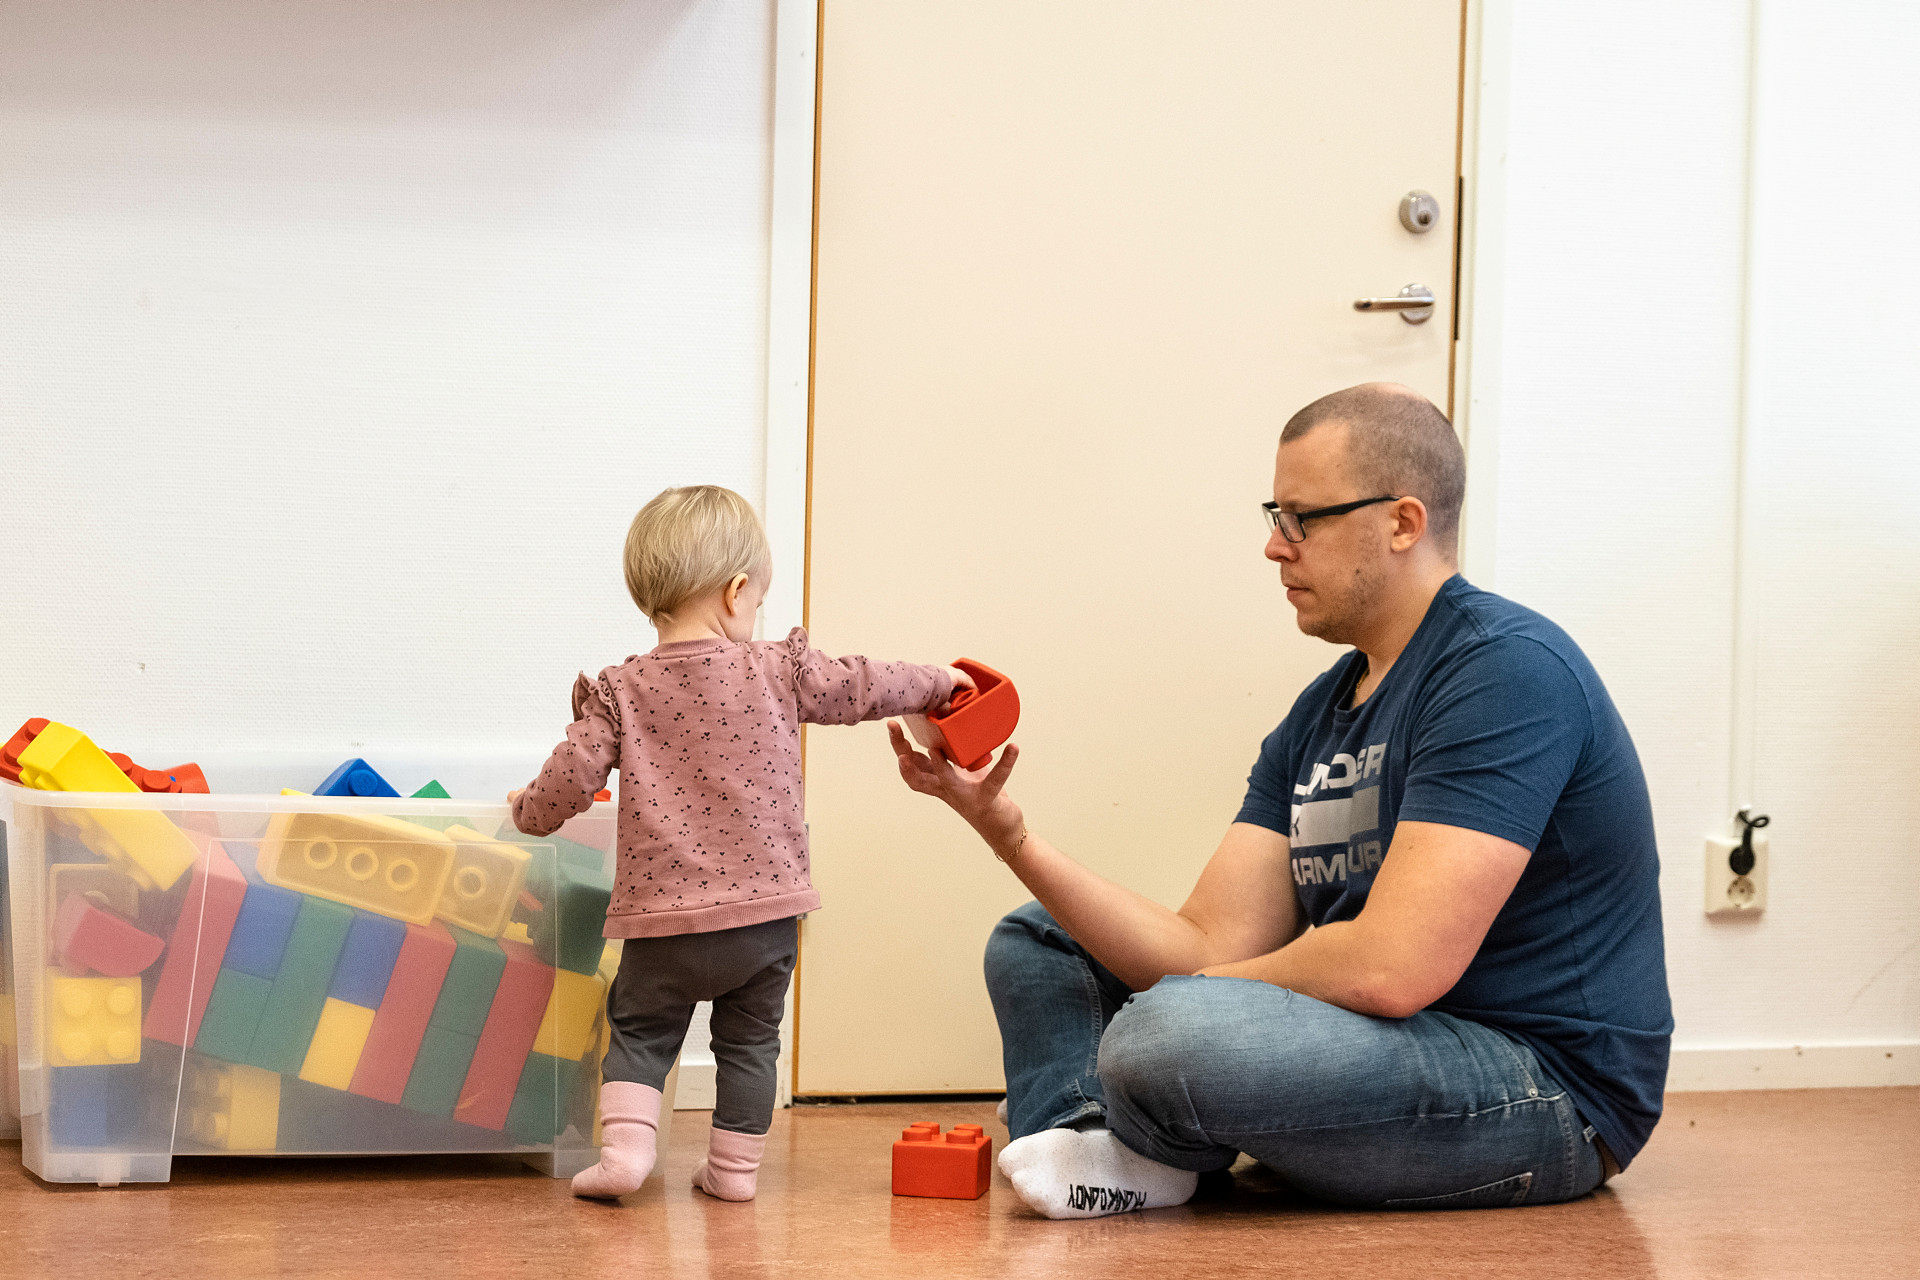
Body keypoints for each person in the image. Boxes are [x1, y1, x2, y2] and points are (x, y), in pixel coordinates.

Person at [888, 384, 1672, 1219]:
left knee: (1166, 1033)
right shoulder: (1320, 714)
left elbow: (1393, 967)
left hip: (1541, 1089)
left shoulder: (1506, 671)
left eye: (1302, 519)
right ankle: (1104, 1148)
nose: (1274, 546)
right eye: (1275, 516)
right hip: (1378, 1044)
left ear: (1403, 523)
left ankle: (1126, 1123)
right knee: (1042, 938)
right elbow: (1206, 943)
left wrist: (1193, 998)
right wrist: (1009, 834)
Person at [510, 484, 967, 1202]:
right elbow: (863, 684)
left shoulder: (622, 691)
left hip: (663, 924)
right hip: (766, 919)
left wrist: (526, 813)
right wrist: (939, 683)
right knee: (750, 1042)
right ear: (735, 592)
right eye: (757, 601)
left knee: (639, 1032)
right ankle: (732, 1172)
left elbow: (570, 777)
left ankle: (626, 1155)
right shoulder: (779, 670)